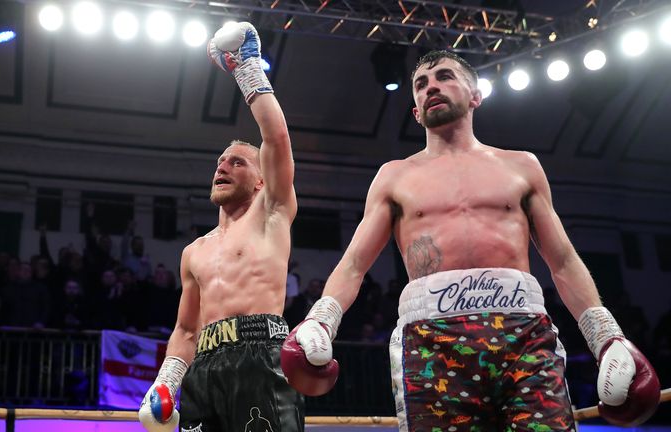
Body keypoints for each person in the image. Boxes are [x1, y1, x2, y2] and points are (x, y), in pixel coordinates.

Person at [281, 50, 659, 430]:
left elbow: (562, 260)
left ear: (475, 95)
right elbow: (354, 264)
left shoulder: (522, 166)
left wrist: (606, 337)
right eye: (421, 84)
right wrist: (320, 321)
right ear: (415, 112)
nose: (431, 87)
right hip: (432, 339)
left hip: (523, 333)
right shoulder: (394, 176)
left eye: (444, 76)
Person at [138, 21, 302, 432]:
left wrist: (246, 68)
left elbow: (277, 138)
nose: (222, 166)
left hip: (260, 353)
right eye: (219, 162)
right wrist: (166, 382)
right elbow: (186, 328)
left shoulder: (272, 212)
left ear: (262, 179)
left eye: (237, 161)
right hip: (203, 369)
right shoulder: (194, 251)